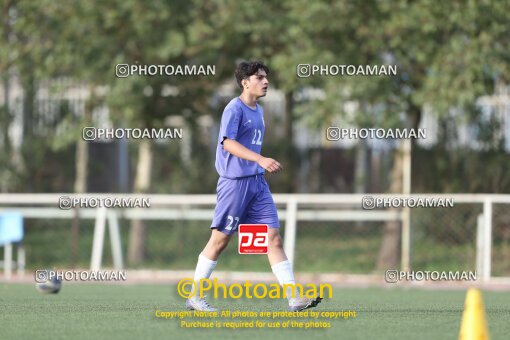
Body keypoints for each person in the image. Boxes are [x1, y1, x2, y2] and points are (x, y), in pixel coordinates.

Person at [185, 61, 321, 312]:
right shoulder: (233, 109)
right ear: (245, 82)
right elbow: (228, 144)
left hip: (257, 184)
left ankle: (294, 298)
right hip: (235, 184)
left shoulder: (258, 110)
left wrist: (259, 165)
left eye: (266, 77)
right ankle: (194, 295)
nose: (266, 81)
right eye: (259, 78)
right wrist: (260, 159)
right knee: (220, 240)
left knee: (273, 237)